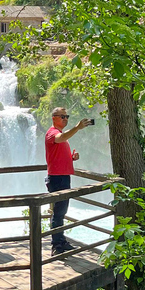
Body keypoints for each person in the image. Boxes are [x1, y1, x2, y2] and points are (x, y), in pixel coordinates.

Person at [45, 107, 92, 256]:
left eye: (67, 116)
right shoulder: (52, 133)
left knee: (60, 212)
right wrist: (77, 128)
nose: (66, 119)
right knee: (58, 213)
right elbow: (61, 138)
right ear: (54, 118)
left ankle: (60, 241)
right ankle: (57, 245)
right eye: (63, 116)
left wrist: (72, 157)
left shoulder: (60, 134)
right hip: (57, 178)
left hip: (62, 176)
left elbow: (58, 151)